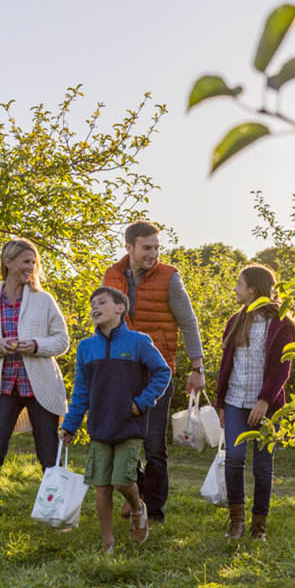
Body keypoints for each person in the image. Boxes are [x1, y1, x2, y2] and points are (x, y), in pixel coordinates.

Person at [0, 239, 71, 537]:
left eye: (33, 262)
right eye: (25, 261)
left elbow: (62, 342)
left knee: (49, 457)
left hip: (41, 389)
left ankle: (58, 519)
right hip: (5, 389)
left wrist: (35, 345)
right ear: (8, 263)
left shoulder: (43, 300)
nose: (30, 267)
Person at [101, 221, 204, 525]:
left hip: (157, 372)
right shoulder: (112, 275)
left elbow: (188, 322)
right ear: (129, 247)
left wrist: (197, 367)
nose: (154, 254)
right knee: (120, 438)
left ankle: (154, 511)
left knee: (154, 445)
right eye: (147, 248)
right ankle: (139, 490)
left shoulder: (170, 278)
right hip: (121, 372)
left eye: (157, 247)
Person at [59, 287, 173, 553]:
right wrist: (70, 425)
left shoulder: (139, 342)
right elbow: (81, 391)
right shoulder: (86, 347)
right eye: (92, 305)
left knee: (122, 480)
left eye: (101, 302)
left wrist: (142, 403)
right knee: (101, 486)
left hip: (129, 425)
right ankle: (107, 542)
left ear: (120, 308)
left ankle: (138, 508)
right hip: (100, 427)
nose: (94, 308)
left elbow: (162, 373)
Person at [213, 263, 295, 540]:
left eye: (239, 284)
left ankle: (259, 525)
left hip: (267, 407)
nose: (235, 289)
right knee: (235, 459)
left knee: (263, 467)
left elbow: (282, 367)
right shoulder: (236, 320)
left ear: (252, 289)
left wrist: (265, 401)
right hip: (235, 400)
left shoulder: (281, 324)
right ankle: (236, 521)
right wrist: (220, 403)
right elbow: (226, 364)